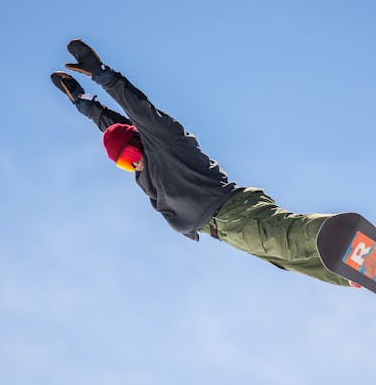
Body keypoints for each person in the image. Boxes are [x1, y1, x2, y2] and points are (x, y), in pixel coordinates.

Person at [51, 39, 354, 288]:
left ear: (140, 143)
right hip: (225, 231)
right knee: (291, 260)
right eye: (124, 167)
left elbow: (137, 110)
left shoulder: (163, 142)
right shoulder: (143, 164)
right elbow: (112, 127)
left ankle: (356, 241)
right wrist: (83, 103)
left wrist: (103, 76)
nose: (133, 167)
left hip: (234, 211)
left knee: (287, 237)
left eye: (130, 159)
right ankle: (361, 276)